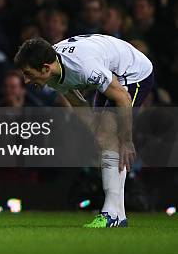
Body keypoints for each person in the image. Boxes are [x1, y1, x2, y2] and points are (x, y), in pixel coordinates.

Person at [14, 34, 154, 228]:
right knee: (104, 138)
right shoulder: (53, 71)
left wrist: (126, 140)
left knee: (110, 137)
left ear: (45, 68)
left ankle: (110, 214)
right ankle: (118, 215)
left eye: (28, 73)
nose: (26, 80)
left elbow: (122, 97)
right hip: (109, 68)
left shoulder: (83, 68)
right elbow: (78, 103)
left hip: (134, 71)